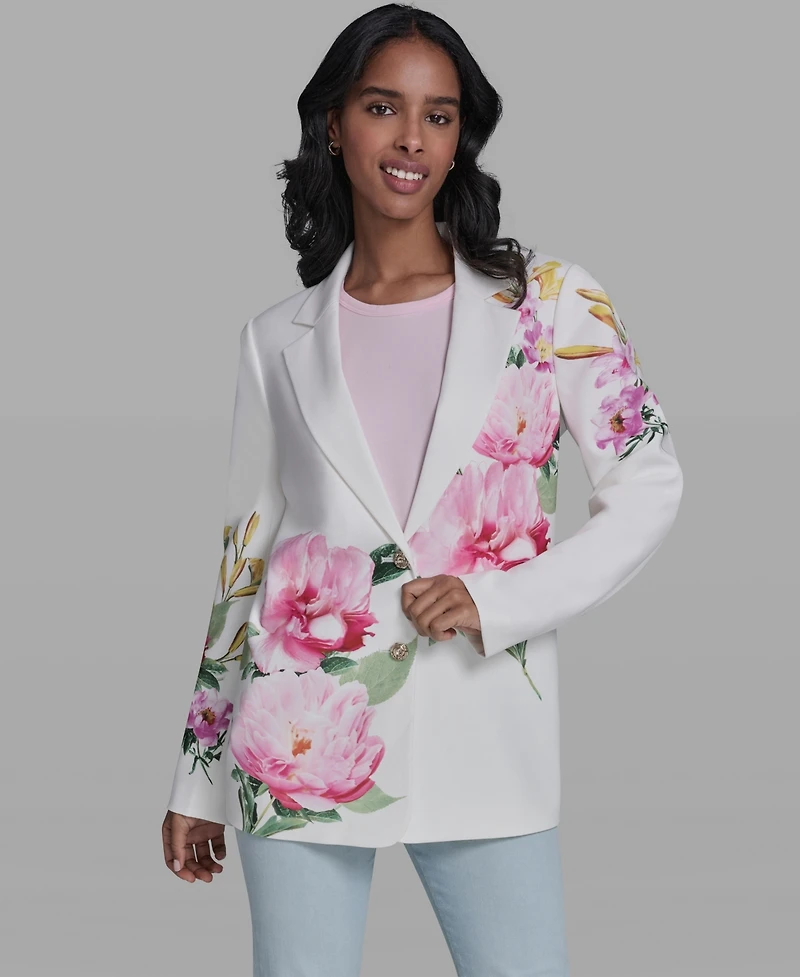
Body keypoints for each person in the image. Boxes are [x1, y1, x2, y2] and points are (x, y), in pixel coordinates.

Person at [161, 4, 683, 975]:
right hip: (299, 738)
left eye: (437, 116)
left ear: (458, 137)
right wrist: (197, 780)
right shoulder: (274, 339)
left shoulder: (550, 303)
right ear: (332, 124)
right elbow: (245, 560)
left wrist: (499, 601)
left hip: (485, 735)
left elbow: (650, 481)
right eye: (381, 107)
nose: (410, 139)